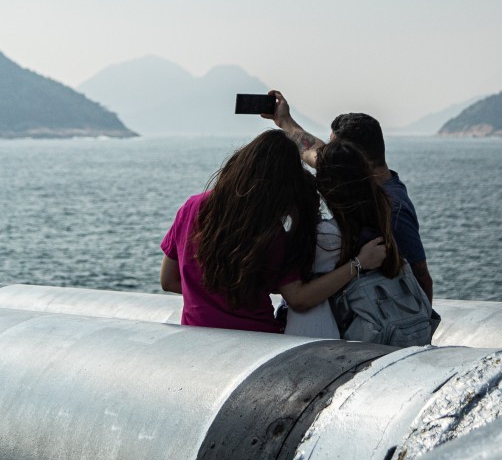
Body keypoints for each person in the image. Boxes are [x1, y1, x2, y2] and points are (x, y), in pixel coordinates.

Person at [160, 129, 386, 333]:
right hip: (256, 341)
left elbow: (168, 280)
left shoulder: (191, 208)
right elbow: (299, 298)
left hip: (196, 336)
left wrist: (210, 296)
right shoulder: (269, 232)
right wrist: (359, 263)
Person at [263, 92, 434, 305]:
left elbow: (422, 276)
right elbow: (312, 150)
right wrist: (284, 121)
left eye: (335, 149)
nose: (327, 155)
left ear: (355, 159)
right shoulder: (358, 181)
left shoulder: (392, 207)